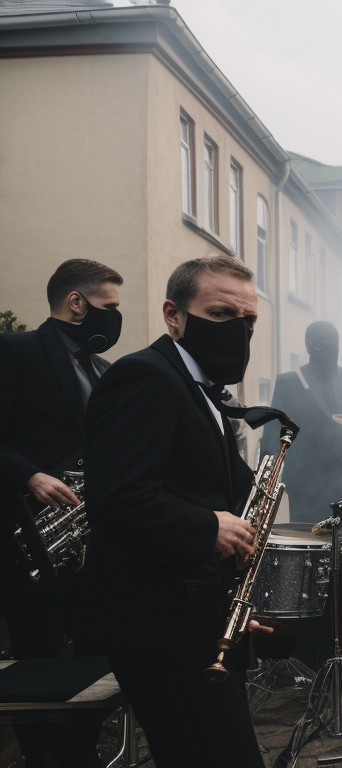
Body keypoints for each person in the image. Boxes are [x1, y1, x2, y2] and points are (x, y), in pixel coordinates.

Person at [74, 255, 271, 768]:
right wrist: (208, 526)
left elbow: (202, 488)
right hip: (155, 625)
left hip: (193, 618)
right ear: (173, 314)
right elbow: (116, 496)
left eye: (248, 321)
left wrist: (233, 601)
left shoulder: (201, 388)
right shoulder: (145, 376)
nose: (238, 331)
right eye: (222, 314)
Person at [0, 258, 122, 767]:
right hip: (28, 536)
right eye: (109, 306)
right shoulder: (15, 350)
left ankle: (78, 754)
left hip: (91, 540)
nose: (116, 317)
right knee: (40, 658)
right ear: (77, 302)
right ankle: (44, 759)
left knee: (98, 654)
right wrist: (28, 473)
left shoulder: (105, 370)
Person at [263, 320, 342, 670]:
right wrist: (269, 483)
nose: (324, 346)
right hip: (309, 493)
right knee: (312, 577)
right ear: (307, 344)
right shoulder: (289, 382)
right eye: (317, 341)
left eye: (330, 340)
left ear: (339, 343)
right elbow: (275, 436)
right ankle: (314, 658)